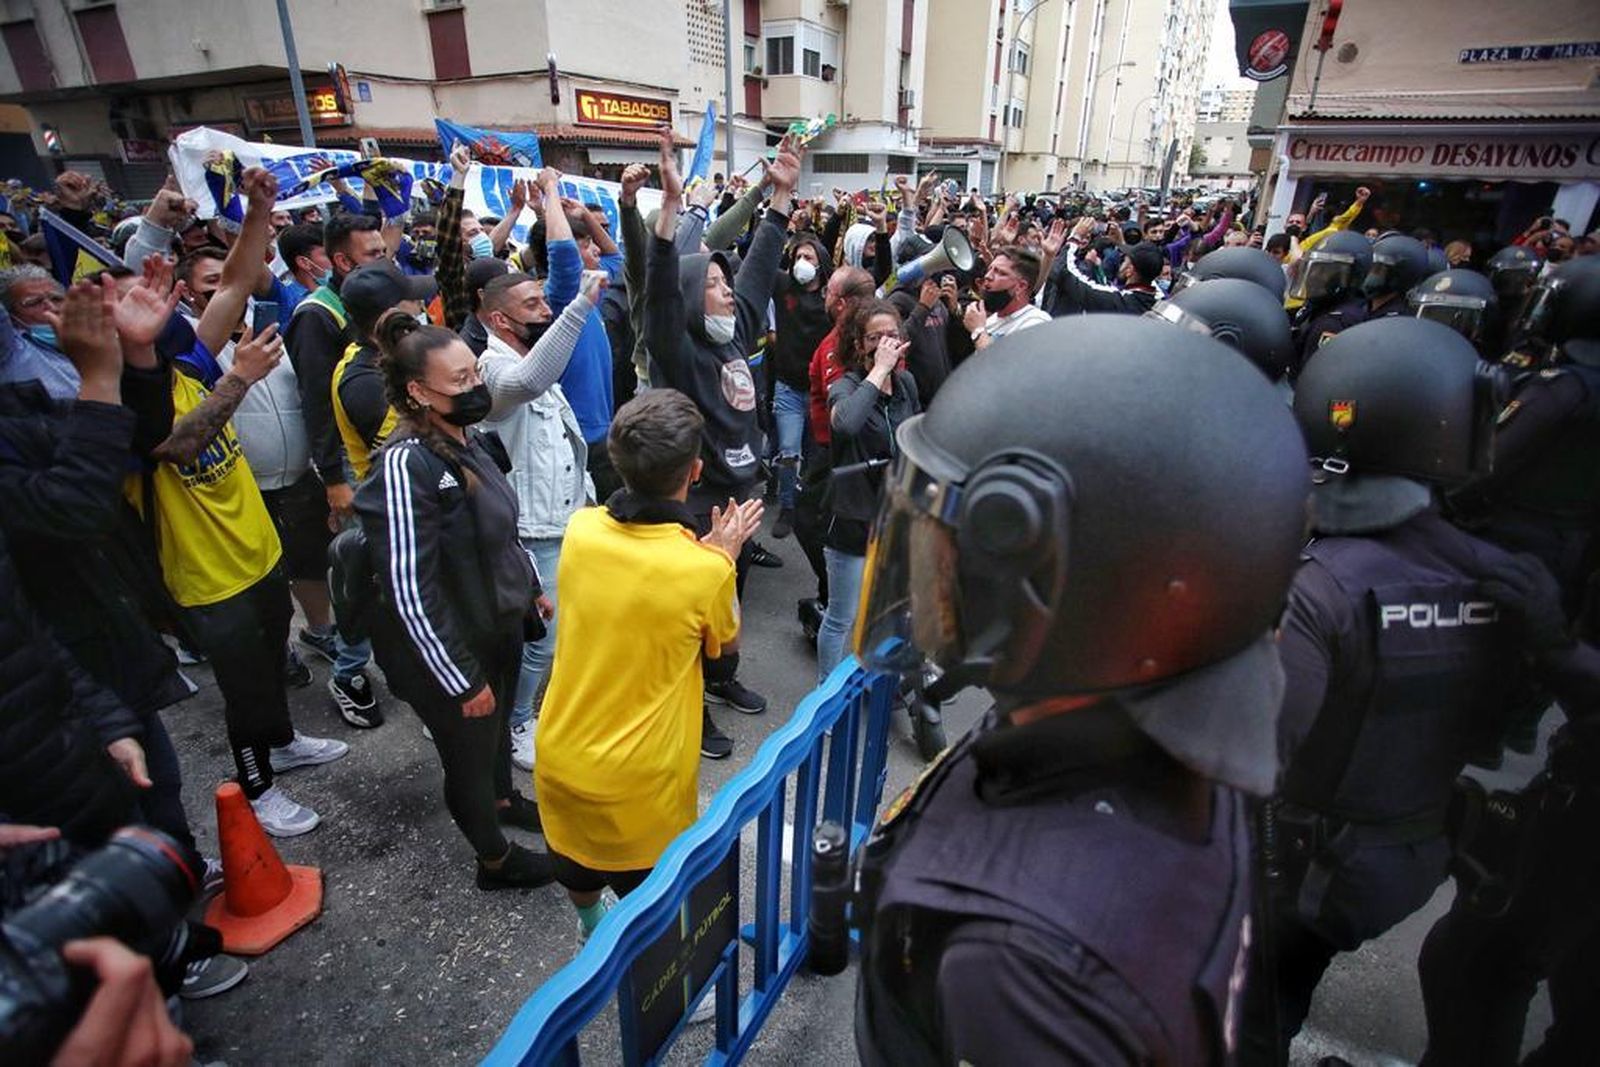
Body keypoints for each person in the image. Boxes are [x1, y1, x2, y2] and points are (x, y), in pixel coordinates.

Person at [850, 315, 1311, 1065]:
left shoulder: (1016, 967)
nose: (934, 571)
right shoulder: (1185, 728)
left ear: (1073, 597)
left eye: (949, 545)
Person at [1238, 317, 1591, 1064]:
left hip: (1302, 870)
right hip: (1409, 852)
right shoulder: (1510, 578)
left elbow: (1255, 753)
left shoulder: (1321, 588)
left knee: (1245, 1021)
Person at [119, 168, 347, 838]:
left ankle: (281, 741)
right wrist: (240, 380)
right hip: (205, 577)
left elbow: (241, 282)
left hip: (258, 550)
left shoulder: (188, 362)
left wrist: (257, 211)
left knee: (273, 656)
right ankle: (256, 785)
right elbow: (177, 447)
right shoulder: (128, 406)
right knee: (242, 683)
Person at [534, 389, 760, 933]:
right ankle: (675, 989)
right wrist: (723, 557)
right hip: (641, 782)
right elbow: (724, 655)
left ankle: (591, 928)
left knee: (576, 862)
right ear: (696, 470)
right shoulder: (703, 572)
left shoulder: (581, 530)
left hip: (562, 756)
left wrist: (702, 556)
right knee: (660, 904)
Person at [353, 316, 554, 890]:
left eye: (474, 373)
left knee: (493, 742)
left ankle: (503, 799)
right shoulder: (404, 464)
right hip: (448, 648)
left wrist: (530, 586)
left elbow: (501, 526)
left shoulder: (471, 439)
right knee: (466, 754)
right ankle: (493, 860)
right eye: (459, 380)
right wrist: (461, 679)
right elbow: (409, 590)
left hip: (498, 624)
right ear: (418, 391)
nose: (475, 387)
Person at [644, 126, 805, 752]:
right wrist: (669, 212)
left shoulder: (729, 333)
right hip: (696, 508)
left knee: (727, 602)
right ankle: (694, 709)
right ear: (689, 298)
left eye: (723, 283)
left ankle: (721, 679)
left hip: (739, 503)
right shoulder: (678, 349)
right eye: (712, 285)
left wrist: (781, 200)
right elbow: (658, 295)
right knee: (691, 619)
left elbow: (760, 269)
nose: (726, 293)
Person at [477, 259, 603, 772]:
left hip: (563, 519)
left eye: (546, 301)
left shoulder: (529, 356)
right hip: (533, 531)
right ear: (499, 320)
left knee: (562, 631)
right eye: (532, 304)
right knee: (540, 639)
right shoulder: (494, 369)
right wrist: (579, 307)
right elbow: (528, 382)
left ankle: (532, 708)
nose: (545, 311)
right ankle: (517, 723)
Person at [816, 300, 919, 683]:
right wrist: (878, 371)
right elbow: (846, 426)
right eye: (875, 338)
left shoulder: (906, 384)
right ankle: (824, 699)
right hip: (853, 518)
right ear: (859, 345)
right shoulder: (846, 385)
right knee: (841, 616)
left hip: (894, 517)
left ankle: (870, 685)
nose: (885, 344)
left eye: (892, 336)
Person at [331, 260, 438, 482]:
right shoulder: (364, 381)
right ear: (391, 313)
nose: (421, 304)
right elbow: (407, 456)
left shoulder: (391, 354)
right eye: (411, 298)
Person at [769, 232, 835, 540]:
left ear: (820, 263)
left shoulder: (831, 298)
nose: (801, 263)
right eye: (797, 257)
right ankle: (787, 506)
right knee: (788, 452)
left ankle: (810, 502)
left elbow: (877, 275)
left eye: (808, 258)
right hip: (788, 389)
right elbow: (761, 261)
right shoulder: (784, 287)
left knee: (815, 453)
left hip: (820, 391)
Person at [1040, 215, 1161, 317]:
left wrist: (1075, 238)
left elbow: (1063, 272)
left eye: (1124, 261)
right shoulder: (1156, 301)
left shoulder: (1120, 302)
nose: (1122, 263)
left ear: (1129, 270)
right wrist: (1120, 243)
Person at [0, 264, 77, 399]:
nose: (52, 308)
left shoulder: (94, 344)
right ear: (11, 316)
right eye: (34, 303)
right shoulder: (12, 351)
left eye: (57, 299)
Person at [962, 244, 1051, 349]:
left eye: (1000, 273)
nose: (988, 276)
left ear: (1021, 286)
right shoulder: (989, 321)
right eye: (990, 269)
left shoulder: (1036, 322)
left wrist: (978, 331)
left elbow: (1004, 364)